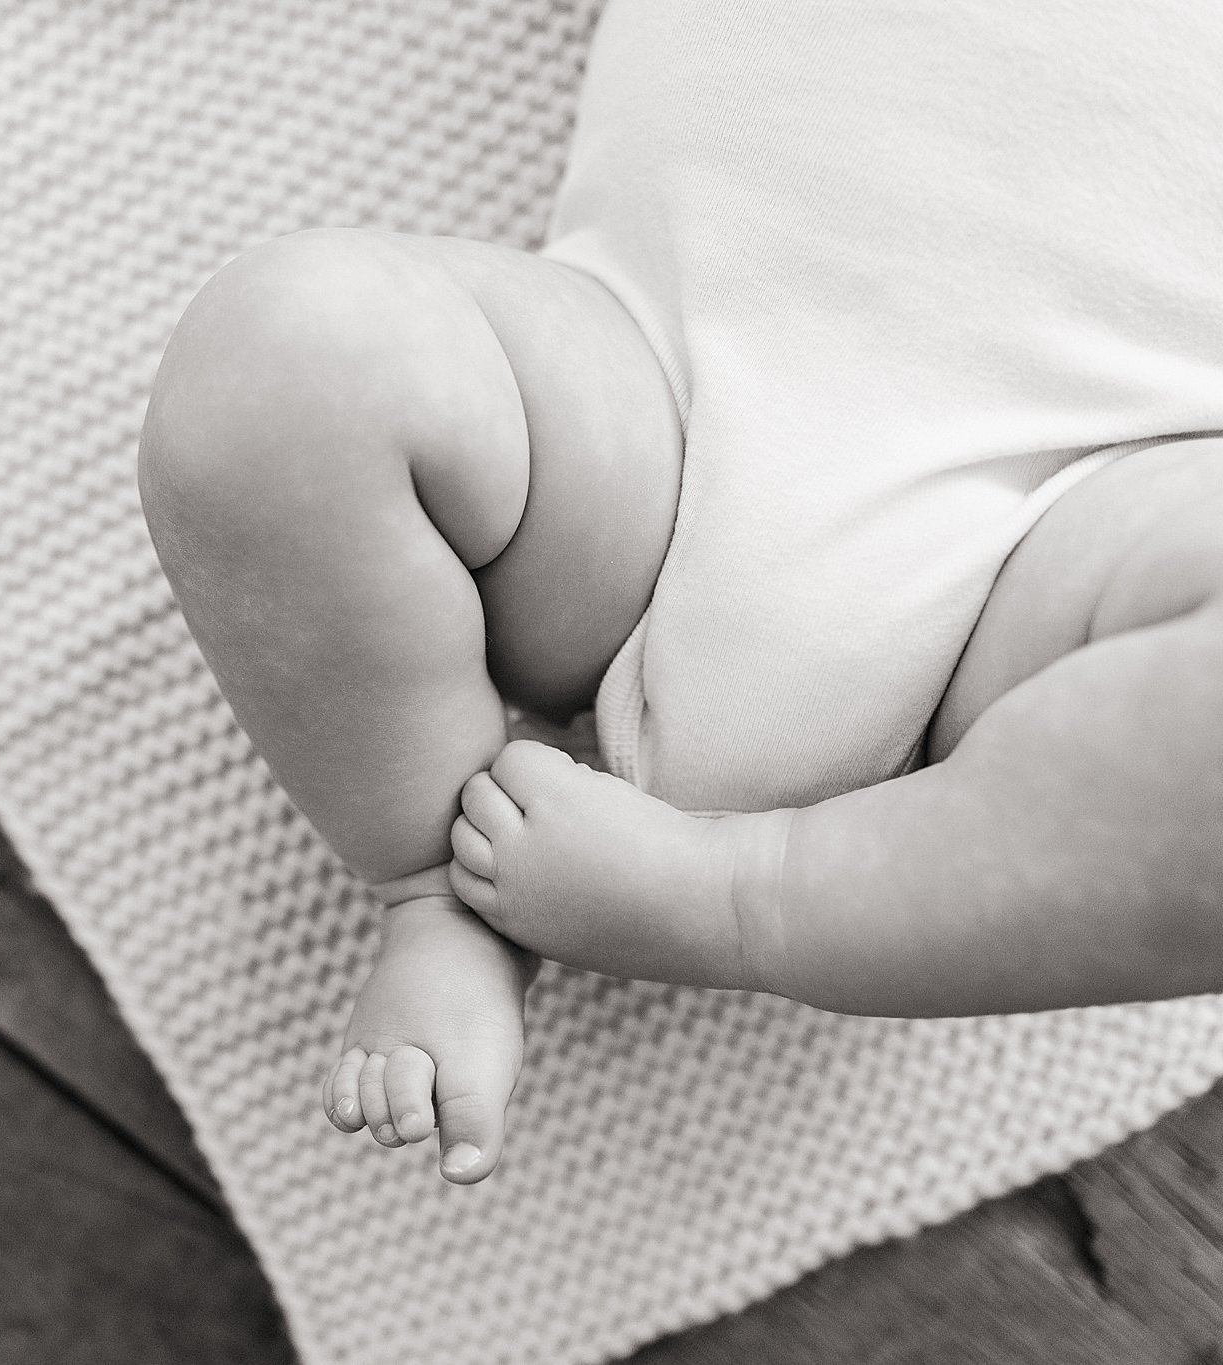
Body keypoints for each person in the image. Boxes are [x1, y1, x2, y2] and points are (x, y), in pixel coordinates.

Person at [136, 0, 1223, 1185]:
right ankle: (435, 885)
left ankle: (741, 902)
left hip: (1078, 502)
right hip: (656, 404)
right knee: (290, 355)